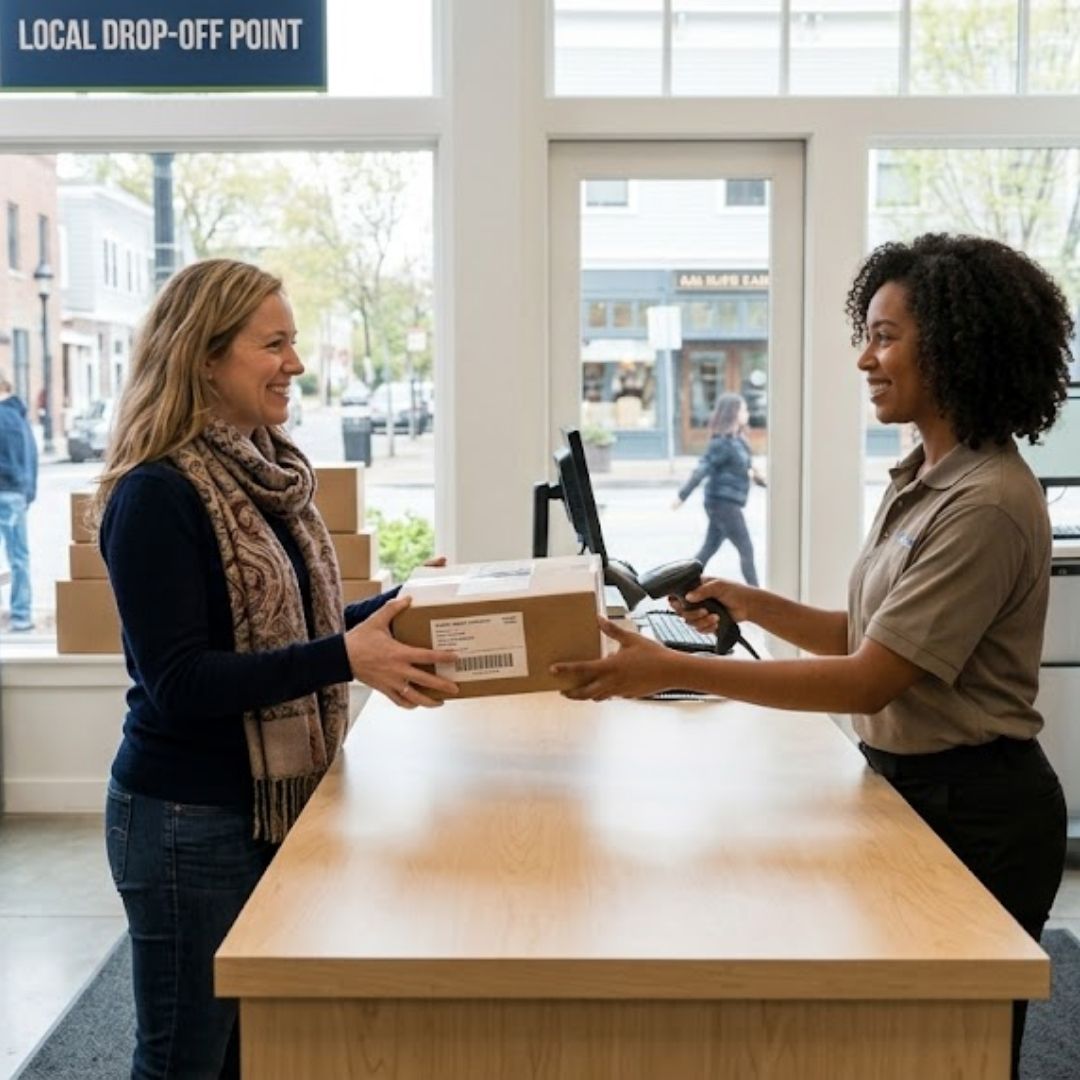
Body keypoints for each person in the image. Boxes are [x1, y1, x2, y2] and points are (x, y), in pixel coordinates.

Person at [553, 233, 1070, 1079]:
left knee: (953, 1054)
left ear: (955, 344)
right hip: (913, 789)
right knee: (892, 1044)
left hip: (977, 810)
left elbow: (871, 676)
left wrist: (672, 667)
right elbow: (861, 634)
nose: (866, 358)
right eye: (866, 334)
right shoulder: (925, 477)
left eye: (886, 335)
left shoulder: (986, 504)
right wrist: (747, 602)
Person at [93, 258, 460, 1079]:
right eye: (276, 343)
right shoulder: (156, 494)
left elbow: (303, 631)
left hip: (267, 809)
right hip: (188, 819)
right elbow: (181, 683)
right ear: (205, 356)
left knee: (252, 1055)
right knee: (184, 1058)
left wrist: (404, 606)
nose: (295, 363)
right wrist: (343, 656)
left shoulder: (265, 476)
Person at [672, 392, 765, 586]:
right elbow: (703, 468)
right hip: (723, 504)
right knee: (746, 550)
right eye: (743, 409)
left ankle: (682, 585)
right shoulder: (722, 442)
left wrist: (762, 480)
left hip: (724, 504)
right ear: (734, 413)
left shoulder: (737, 440)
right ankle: (758, 595)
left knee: (708, 549)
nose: (747, 413)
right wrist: (682, 496)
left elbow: (744, 468)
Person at [0, 371, 38, 632]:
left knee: (17, 558)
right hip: (17, 495)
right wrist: (28, 493)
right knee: (19, 558)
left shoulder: (3, 416)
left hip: (4, 491)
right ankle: (21, 616)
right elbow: (31, 458)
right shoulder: (19, 417)